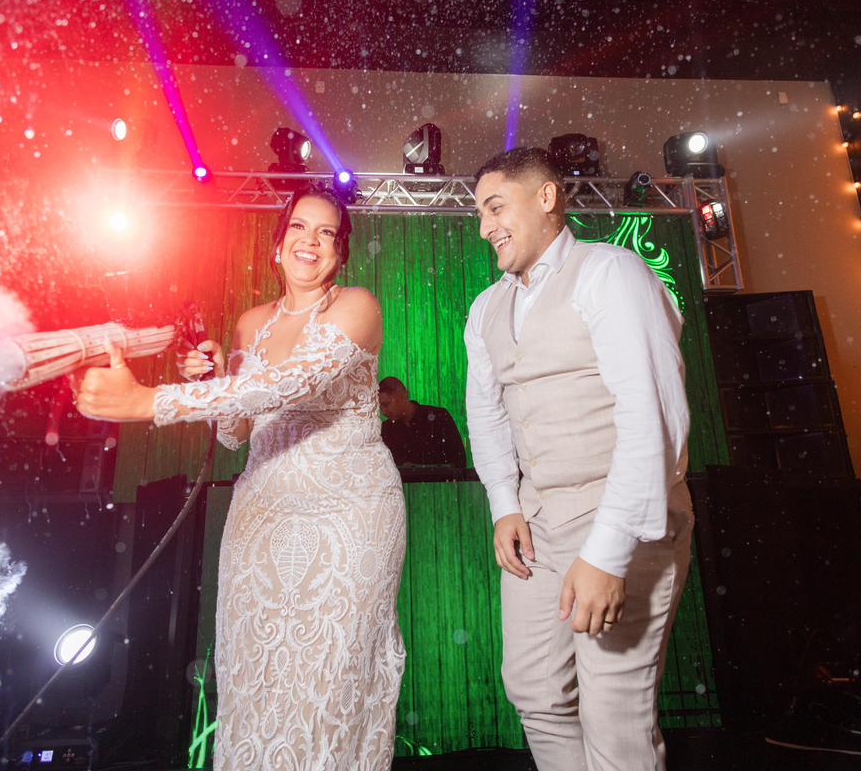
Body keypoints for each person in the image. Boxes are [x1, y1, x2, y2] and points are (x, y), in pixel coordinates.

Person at [72, 183, 407, 770]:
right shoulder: (250, 324)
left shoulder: (358, 307)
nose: (311, 241)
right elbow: (236, 431)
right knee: (256, 675)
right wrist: (211, 381)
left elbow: (289, 385)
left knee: (332, 678)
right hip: (262, 511)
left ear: (340, 252)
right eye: (299, 227)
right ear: (277, 244)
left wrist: (151, 401)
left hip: (350, 514)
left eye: (326, 232)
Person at [463, 148, 692, 771]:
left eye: (495, 208)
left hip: (621, 517)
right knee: (534, 694)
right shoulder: (484, 308)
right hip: (538, 527)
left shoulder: (610, 272)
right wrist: (505, 505)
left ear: (546, 198)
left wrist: (609, 551)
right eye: (479, 214)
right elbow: (486, 414)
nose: (484, 227)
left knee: (613, 713)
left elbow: (654, 416)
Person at [378, 377, 467, 468]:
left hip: (442, 477)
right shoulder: (385, 429)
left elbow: (459, 461)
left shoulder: (439, 417)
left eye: (386, 404)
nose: (383, 412)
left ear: (403, 398)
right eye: (379, 407)